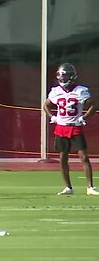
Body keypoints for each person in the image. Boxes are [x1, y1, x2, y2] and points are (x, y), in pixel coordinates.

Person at [43, 63, 99, 196]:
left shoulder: (80, 90)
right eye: (60, 76)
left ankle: (90, 187)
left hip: (75, 127)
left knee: (84, 157)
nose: (62, 79)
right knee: (62, 158)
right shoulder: (56, 91)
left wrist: (84, 117)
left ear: (72, 76)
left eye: (65, 76)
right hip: (61, 127)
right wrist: (53, 117)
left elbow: (93, 106)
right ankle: (68, 187)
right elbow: (46, 105)